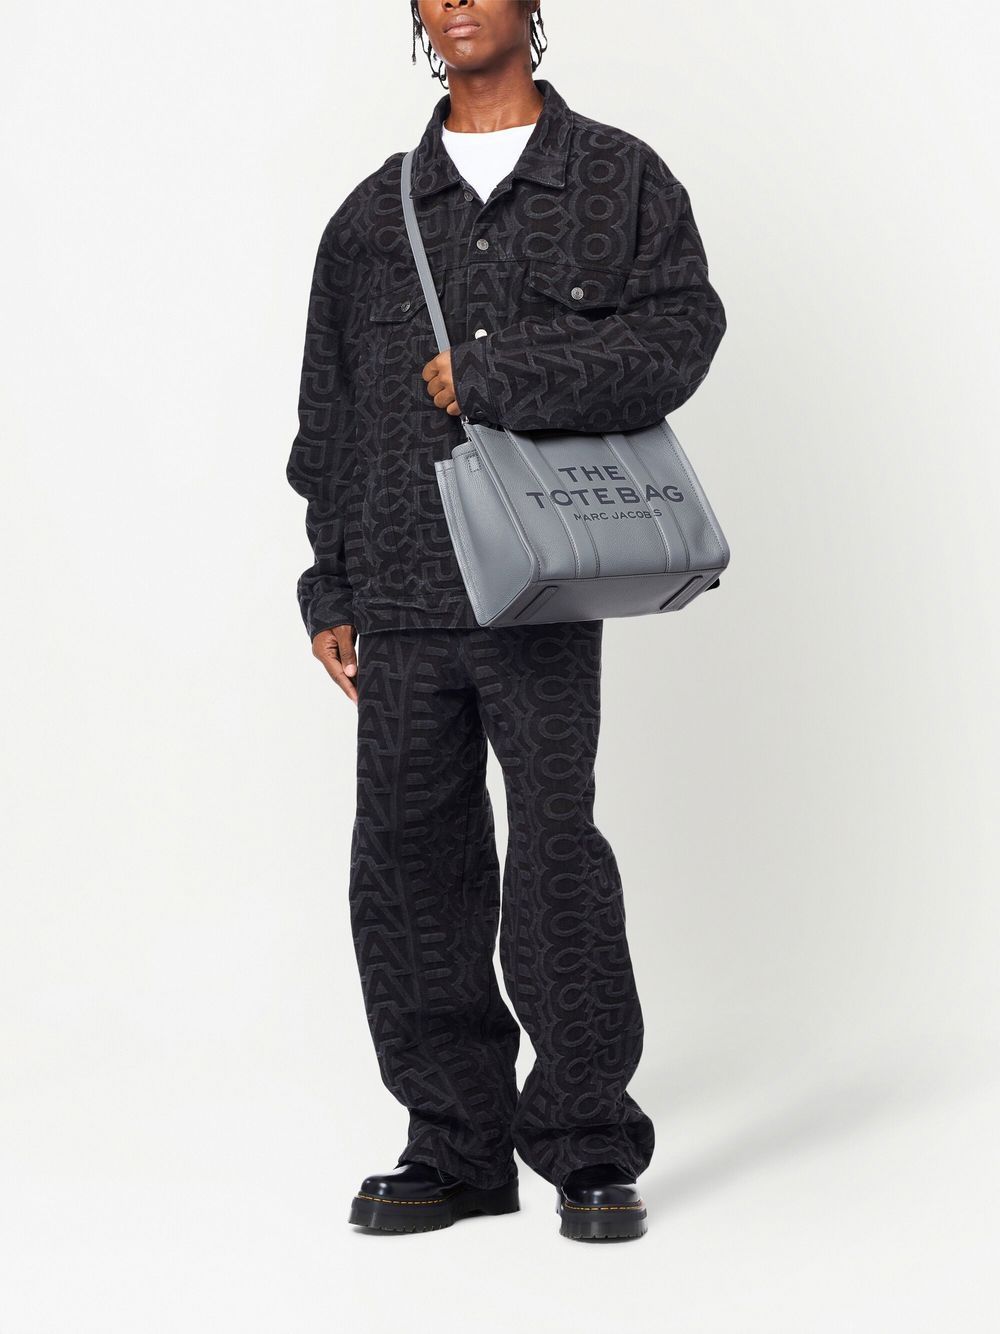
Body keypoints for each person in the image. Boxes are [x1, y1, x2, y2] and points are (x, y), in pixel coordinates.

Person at [286, 0, 726, 1242]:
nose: (456, 1)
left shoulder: (615, 178)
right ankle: (454, 1144)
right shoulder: (371, 217)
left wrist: (504, 375)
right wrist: (329, 585)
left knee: (553, 855)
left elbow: (681, 336)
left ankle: (586, 1140)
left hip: (540, 586)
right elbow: (327, 417)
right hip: (397, 590)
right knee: (408, 863)